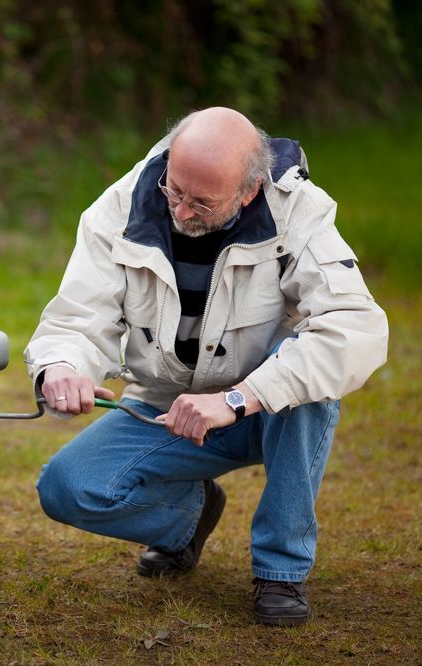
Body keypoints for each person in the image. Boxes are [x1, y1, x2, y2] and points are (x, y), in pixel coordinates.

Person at [25, 107, 388, 626]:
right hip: (165, 408)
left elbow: (355, 328)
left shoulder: (300, 212)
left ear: (249, 191)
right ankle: (189, 519)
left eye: (202, 202)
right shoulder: (118, 207)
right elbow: (79, 317)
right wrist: (61, 364)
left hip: (267, 408)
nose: (182, 211)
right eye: (175, 191)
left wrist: (237, 399)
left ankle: (280, 570)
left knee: (309, 383)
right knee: (66, 487)